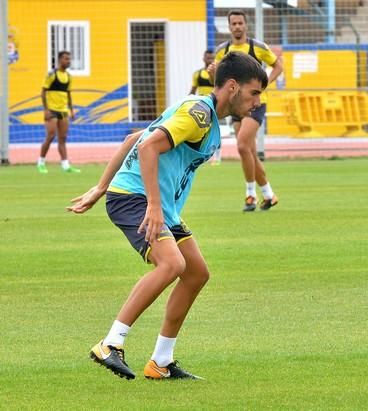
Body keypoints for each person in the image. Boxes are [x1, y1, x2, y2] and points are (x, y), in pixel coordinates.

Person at [67, 52, 268, 380]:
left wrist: (100, 187)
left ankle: (160, 362)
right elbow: (147, 148)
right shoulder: (199, 115)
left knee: (196, 273)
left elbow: (135, 138)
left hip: (157, 204)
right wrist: (152, 206)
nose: (258, 101)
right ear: (232, 87)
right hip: (136, 199)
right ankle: (110, 343)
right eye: (254, 92)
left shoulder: (201, 111)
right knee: (172, 264)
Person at [209, 9, 283, 212]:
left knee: (242, 145)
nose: (237, 27)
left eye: (240, 23)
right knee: (248, 151)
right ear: (229, 26)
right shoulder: (222, 51)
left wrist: (263, 87)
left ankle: (250, 195)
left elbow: (278, 66)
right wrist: (212, 74)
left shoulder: (257, 47)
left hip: (255, 105)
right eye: (233, 23)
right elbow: (217, 83)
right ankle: (268, 194)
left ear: (246, 25)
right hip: (235, 105)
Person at [37, 51, 80, 174]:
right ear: (60, 60)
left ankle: (66, 165)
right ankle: (41, 162)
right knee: (50, 136)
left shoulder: (69, 76)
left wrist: (71, 111)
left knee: (63, 138)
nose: (68, 61)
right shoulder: (52, 74)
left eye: (69, 59)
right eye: (66, 59)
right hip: (52, 111)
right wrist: (45, 110)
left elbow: (68, 94)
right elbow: (43, 92)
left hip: (63, 111)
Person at [189, 49, 220, 164]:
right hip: (202, 106)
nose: (210, 60)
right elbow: (193, 90)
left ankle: (217, 156)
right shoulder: (197, 74)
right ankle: (204, 155)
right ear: (203, 59)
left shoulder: (218, 74)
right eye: (208, 58)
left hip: (216, 105)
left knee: (216, 130)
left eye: (212, 58)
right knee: (202, 131)